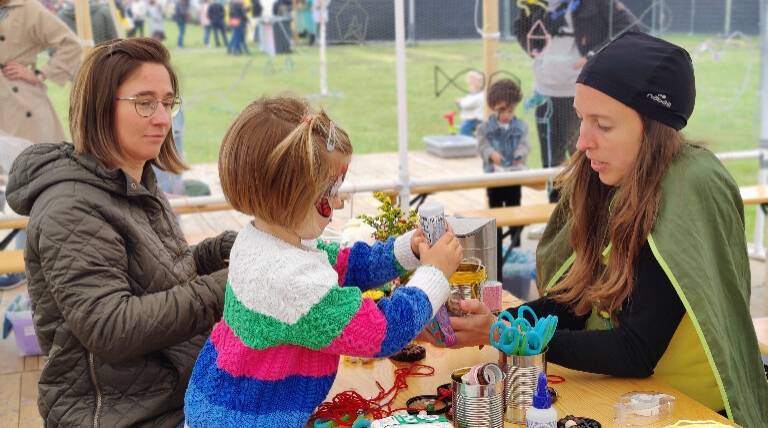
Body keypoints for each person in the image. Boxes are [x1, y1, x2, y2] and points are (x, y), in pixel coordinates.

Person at [424, 32, 768, 427]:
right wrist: (494, 323)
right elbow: (576, 303)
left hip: (690, 412)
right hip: (619, 396)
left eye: (602, 125)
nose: (583, 142)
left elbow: (635, 350)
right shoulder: (614, 177)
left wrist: (502, 332)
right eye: (581, 118)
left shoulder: (689, 188)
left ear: (653, 128)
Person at [183, 95, 464, 427]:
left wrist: (408, 251)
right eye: (329, 192)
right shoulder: (289, 277)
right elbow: (383, 333)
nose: (340, 201)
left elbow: (344, 264)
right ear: (290, 197)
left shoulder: (264, 241)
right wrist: (434, 275)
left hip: (223, 409)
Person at [5, 37, 235, 427]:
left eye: (167, 102)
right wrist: (236, 283)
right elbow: (111, 326)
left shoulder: (133, 178)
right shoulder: (71, 206)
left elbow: (160, 276)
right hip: (122, 415)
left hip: (174, 394)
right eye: (144, 102)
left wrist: (223, 250)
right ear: (99, 107)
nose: (163, 119)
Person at [513, 0, 639, 203]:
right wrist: (534, 50)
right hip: (544, 95)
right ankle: (555, 219)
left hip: (582, 96)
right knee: (551, 165)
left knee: (586, 162)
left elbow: (631, 27)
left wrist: (593, 54)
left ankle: (589, 221)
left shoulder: (596, 0)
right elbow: (519, 27)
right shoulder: (535, 0)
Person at [0, 0, 82, 290]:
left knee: (34, 189)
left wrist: (38, 73)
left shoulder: (27, 6)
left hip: (23, 108)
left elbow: (69, 43)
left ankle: (26, 264)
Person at [475, 78, 530, 278]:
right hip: (494, 181)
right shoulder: (484, 129)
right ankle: (496, 261)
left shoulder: (521, 127)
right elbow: (483, 147)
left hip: (513, 179)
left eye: (511, 110)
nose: (507, 115)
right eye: (503, 110)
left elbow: (525, 146)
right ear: (493, 108)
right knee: (496, 220)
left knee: (516, 216)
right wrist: (492, 155)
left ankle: (515, 256)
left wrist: (520, 154)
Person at [455, 69, 485, 137]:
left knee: (464, 128)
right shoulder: (475, 93)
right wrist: (461, 100)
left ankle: (469, 143)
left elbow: (469, 103)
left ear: (478, 85)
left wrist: (460, 101)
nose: (469, 86)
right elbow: (468, 100)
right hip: (474, 116)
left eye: (471, 84)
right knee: (464, 126)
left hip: (477, 118)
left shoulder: (480, 95)